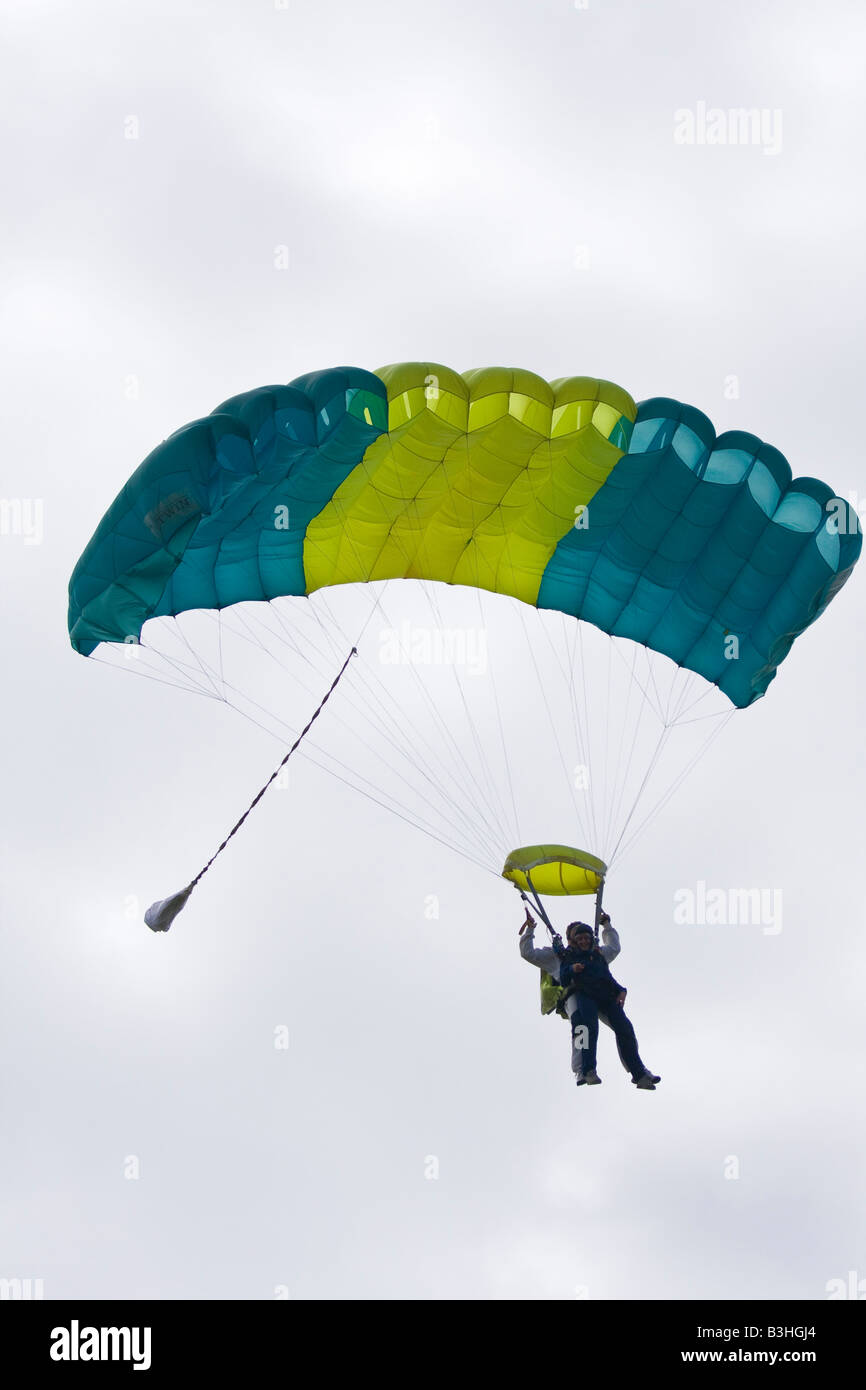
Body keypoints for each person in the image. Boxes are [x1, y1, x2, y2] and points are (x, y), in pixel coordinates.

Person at [519, 909, 660, 1090]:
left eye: (583, 937)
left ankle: (638, 1070)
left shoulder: (595, 953)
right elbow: (528, 953)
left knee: (624, 1027)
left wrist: (606, 925)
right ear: (570, 939)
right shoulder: (558, 955)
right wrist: (530, 930)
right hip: (575, 995)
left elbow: (614, 948)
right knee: (582, 1026)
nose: (580, 942)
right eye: (575, 938)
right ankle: (581, 1070)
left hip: (600, 993)